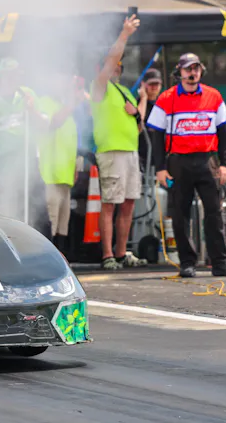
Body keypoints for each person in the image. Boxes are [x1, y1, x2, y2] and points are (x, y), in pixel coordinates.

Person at [147, 53, 226, 278]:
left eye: (196, 69)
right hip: (178, 161)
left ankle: (220, 262)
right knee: (180, 213)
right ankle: (187, 262)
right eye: (188, 69)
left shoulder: (214, 96)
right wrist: (160, 168)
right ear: (179, 72)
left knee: (214, 212)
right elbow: (157, 136)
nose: (193, 73)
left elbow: (224, 134)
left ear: (201, 71)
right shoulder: (166, 98)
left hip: (207, 160)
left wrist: (225, 165)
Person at [0, 57, 51, 238]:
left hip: (29, 166)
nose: (15, 79)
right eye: (10, 75)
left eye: (17, 74)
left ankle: (41, 247)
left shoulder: (27, 95)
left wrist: (32, 110)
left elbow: (45, 126)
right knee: (5, 214)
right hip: (0, 168)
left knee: (40, 215)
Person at [90, 14, 148, 270]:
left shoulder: (125, 91)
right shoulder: (99, 87)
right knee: (110, 204)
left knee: (128, 203)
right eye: (113, 66)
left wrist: (141, 103)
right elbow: (112, 59)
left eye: (119, 67)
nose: (116, 68)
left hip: (130, 151)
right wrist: (124, 34)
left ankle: (122, 253)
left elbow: (139, 124)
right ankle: (107, 255)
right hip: (112, 151)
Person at [38, 73, 85, 251]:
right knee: (51, 223)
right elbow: (54, 122)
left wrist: (75, 165)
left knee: (62, 227)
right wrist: (72, 103)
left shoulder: (65, 108)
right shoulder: (43, 103)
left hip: (65, 176)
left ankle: (62, 260)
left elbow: (71, 140)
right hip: (49, 175)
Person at [137, 68, 164, 172]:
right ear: (143, 84)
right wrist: (143, 98)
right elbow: (137, 122)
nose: (154, 87)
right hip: (142, 158)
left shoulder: (163, 104)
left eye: (157, 84)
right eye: (151, 84)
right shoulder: (137, 103)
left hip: (160, 159)